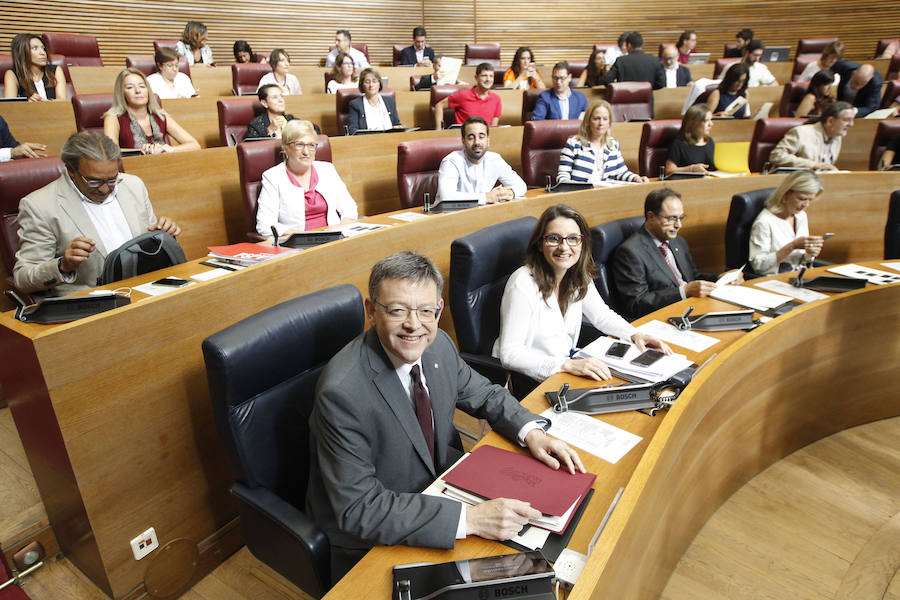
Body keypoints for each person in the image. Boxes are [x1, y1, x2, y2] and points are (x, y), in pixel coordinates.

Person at [306, 250, 585, 581]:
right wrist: (471, 519)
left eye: (425, 311)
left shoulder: (437, 346)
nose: (414, 325)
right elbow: (359, 510)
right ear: (371, 311)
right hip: (374, 535)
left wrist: (532, 433)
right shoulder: (342, 393)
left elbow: (485, 394)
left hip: (439, 488)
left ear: (438, 311)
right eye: (397, 310)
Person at [494, 204, 669, 382]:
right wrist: (566, 365)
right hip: (529, 379)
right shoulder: (523, 283)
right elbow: (510, 355)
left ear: (581, 242)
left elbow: (601, 316)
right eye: (554, 238)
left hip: (563, 370)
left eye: (573, 238)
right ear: (540, 244)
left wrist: (635, 334)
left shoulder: (578, 274)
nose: (564, 247)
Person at [13, 131, 181, 296]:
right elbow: (22, 278)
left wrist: (164, 234)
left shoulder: (133, 185)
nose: (104, 189)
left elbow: (148, 244)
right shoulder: (39, 206)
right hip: (93, 303)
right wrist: (62, 266)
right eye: (94, 181)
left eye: (111, 179)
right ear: (71, 170)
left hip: (145, 290)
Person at [613, 188, 736, 319]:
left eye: (681, 218)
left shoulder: (678, 241)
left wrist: (721, 278)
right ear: (651, 217)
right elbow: (636, 304)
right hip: (665, 317)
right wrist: (683, 292)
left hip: (693, 308)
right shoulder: (630, 252)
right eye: (672, 218)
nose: (678, 225)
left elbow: (693, 277)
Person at [255, 120, 357, 237]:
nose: (306, 152)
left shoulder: (327, 170)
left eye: (311, 145)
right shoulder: (273, 177)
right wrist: (303, 236)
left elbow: (349, 206)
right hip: (298, 245)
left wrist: (343, 226)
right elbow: (265, 225)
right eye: (299, 145)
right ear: (286, 148)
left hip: (335, 239)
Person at [103, 68, 200, 155]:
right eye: (130, 87)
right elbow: (110, 152)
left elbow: (194, 145)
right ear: (121, 93)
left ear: (148, 90)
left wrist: (169, 149)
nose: (138, 91)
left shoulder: (160, 116)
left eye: (142, 86)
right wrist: (140, 151)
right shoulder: (113, 118)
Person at [748, 170, 825, 275]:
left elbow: (801, 260)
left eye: (810, 200)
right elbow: (759, 265)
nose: (806, 205)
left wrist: (809, 253)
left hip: (799, 276)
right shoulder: (764, 222)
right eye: (802, 199)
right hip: (774, 280)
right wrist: (792, 246)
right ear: (786, 194)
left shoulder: (801, 216)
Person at [436, 116, 525, 204]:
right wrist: (487, 197)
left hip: (481, 213)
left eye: (481, 137)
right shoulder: (451, 161)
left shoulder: (495, 159)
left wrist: (510, 192)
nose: (477, 142)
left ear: (488, 140)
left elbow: (521, 186)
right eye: (471, 137)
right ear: (463, 141)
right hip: (448, 215)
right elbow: (446, 196)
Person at [557, 100, 649, 184]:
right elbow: (562, 177)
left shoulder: (613, 144)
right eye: (596, 119)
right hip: (580, 196)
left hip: (605, 196)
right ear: (588, 121)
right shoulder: (573, 144)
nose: (601, 123)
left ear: (609, 122)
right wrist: (573, 186)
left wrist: (636, 178)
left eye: (605, 119)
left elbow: (621, 172)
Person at [769, 101, 854, 171]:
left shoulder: (837, 137)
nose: (851, 124)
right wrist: (813, 165)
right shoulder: (801, 132)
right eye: (847, 120)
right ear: (830, 121)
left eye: (852, 120)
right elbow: (777, 156)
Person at [435, 63, 502, 128]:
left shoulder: (496, 99)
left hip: (483, 137)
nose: (488, 79)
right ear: (476, 77)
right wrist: (439, 130)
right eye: (484, 76)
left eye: (491, 76)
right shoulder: (462, 95)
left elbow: (493, 128)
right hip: (463, 136)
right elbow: (439, 105)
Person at [4, 33, 66, 101]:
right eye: (35, 48)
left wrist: (47, 103)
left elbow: (62, 100)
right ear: (22, 52)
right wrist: (28, 104)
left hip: (55, 110)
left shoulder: (56, 70)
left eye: (43, 48)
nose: (42, 53)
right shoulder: (12, 75)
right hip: (27, 111)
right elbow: (9, 106)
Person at [347, 68, 402, 135]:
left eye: (374, 81)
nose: (371, 85)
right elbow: (353, 130)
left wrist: (398, 128)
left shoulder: (390, 102)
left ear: (379, 84)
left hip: (390, 140)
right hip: (367, 142)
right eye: (367, 82)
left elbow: (397, 124)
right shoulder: (355, 105)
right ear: (362, 85)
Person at [666, 104, 716, 175]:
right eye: (706, 121)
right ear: (694, 123)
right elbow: (669, 171)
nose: (711, 124)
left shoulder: (710, 142)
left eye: (711, 120)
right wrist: (691, 169)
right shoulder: (679, 144)